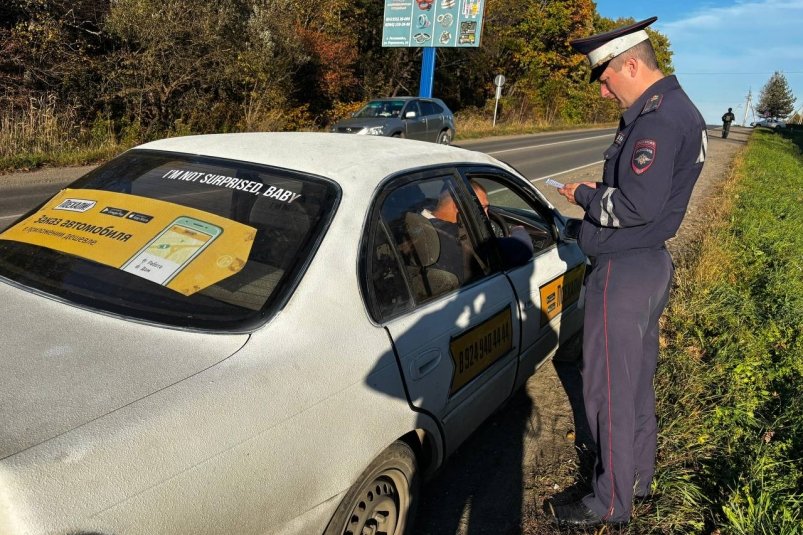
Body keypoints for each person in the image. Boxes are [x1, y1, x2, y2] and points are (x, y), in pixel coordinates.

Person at [545, 17, 707, 528]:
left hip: (625, 267)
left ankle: (609, 501)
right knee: (634, 383)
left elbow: (636, 205)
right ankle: (637, 476)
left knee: (607, 388)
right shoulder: (678, 110)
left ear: (631, 64)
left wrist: (584, 195)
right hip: (648, 263)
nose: (604, 88)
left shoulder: (656, 120)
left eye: (606, 76)